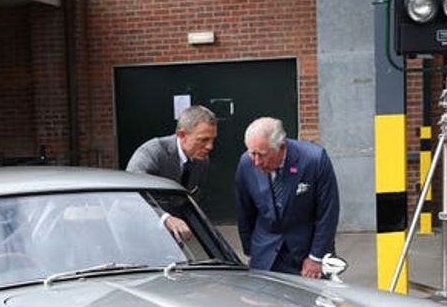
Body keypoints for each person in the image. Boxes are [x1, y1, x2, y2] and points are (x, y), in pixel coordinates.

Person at [235, 117, 339, 278]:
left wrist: (316, 257)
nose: (256, 161)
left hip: (307, 255)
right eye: (252, 153)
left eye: (262, 155)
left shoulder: (314, 160)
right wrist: (252, 252)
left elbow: (328, 213)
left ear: (281, 147)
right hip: (266, 255)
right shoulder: (246, 164)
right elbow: (245, 212)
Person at [126, 105, 217, 240]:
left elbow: (190, 199)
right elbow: (130, 198)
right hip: (132, 231)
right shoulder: (151, 154)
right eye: (203, 140)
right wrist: (166, 218)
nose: (210, 146)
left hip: (169, 237)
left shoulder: (202, 161)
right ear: (182, 135)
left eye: (212, 139)